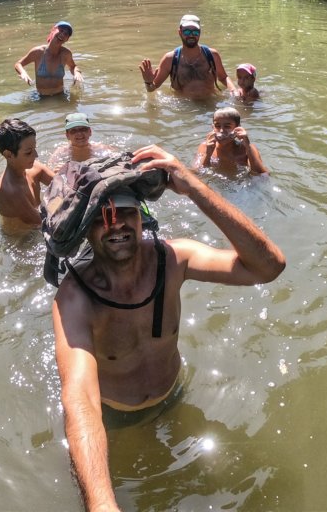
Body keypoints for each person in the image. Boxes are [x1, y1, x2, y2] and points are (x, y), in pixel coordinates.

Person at [51, 145, 285, 511]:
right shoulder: (74, 298)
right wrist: (101, 505)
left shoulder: (174, 259)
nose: (116, 225)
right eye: (101, 218)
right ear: (85, 229)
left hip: (173, 393)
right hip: (114, 416)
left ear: (142, 216)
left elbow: (268, 267)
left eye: (126, 212)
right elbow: (80, 400)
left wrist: (195, 188)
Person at [139, 14, 235, 99]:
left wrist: (234, 91)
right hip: (182, 107)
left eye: (195, 32)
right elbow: (152, 89)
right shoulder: (169, 59)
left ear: (200, 33)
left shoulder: (212, 55)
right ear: (180, 32)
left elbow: (223, 77)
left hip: (210, 104)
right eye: (187, 32)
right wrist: (148, 82)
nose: (191, 35)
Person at [0, 118, 54, 231]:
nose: (36, 155)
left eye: (34, 149)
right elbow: (41, 222)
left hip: (40, 221)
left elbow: (63, 185)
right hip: (22, 239)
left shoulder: (36, 168)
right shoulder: (8, 190)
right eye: (28, 152)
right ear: (8, 155)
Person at [15, 21, 83, 97]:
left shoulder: (66, 54)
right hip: (40, 97)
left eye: (66, 34)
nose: (62, 34)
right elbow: (18, 64)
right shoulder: (38, 52)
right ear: (53, 30)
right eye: (61, 30)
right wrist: (23, 72)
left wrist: (77, 72)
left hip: (60, 95)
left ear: (67, 39)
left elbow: (73, 66)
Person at [195, 107, 269, 176]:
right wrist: (208, 155)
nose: (222, 131)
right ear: (213, 127)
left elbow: (262, 175)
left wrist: (248, 147)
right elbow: (196, 174)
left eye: (227, 126)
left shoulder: (247, 149)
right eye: (217, 126)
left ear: (238, 128)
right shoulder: (205, 146)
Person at [48, 112, 116, 169]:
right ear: (67, 135)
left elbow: (118, 160)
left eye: (83, 129)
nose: (79, 134)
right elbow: (50, 169)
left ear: (90, 132)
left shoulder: (102, 149)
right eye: (73, 131)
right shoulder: (60, 153)